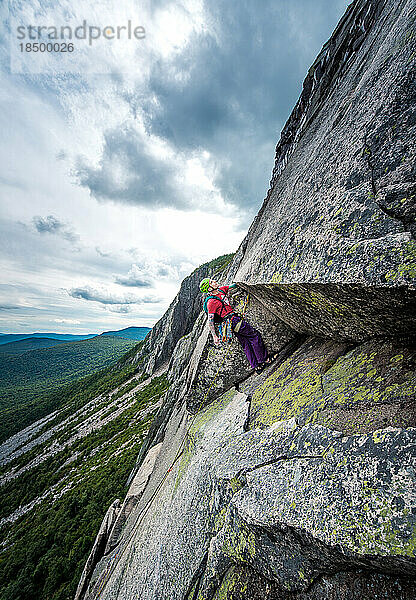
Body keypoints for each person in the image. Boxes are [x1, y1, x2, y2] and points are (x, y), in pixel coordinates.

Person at [199, 278, 274, 374]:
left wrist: (242, 281)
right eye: (211, 282)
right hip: (233, 320)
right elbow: (210, 320)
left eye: (213, 280)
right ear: (209, 289)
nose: (215, 281)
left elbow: (233, 286)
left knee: (245, 343)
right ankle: (264, 360)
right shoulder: (211, 303)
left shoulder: (222, 289)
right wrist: (214, 336)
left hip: (230, 324)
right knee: (254, 335)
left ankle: (256, 366)